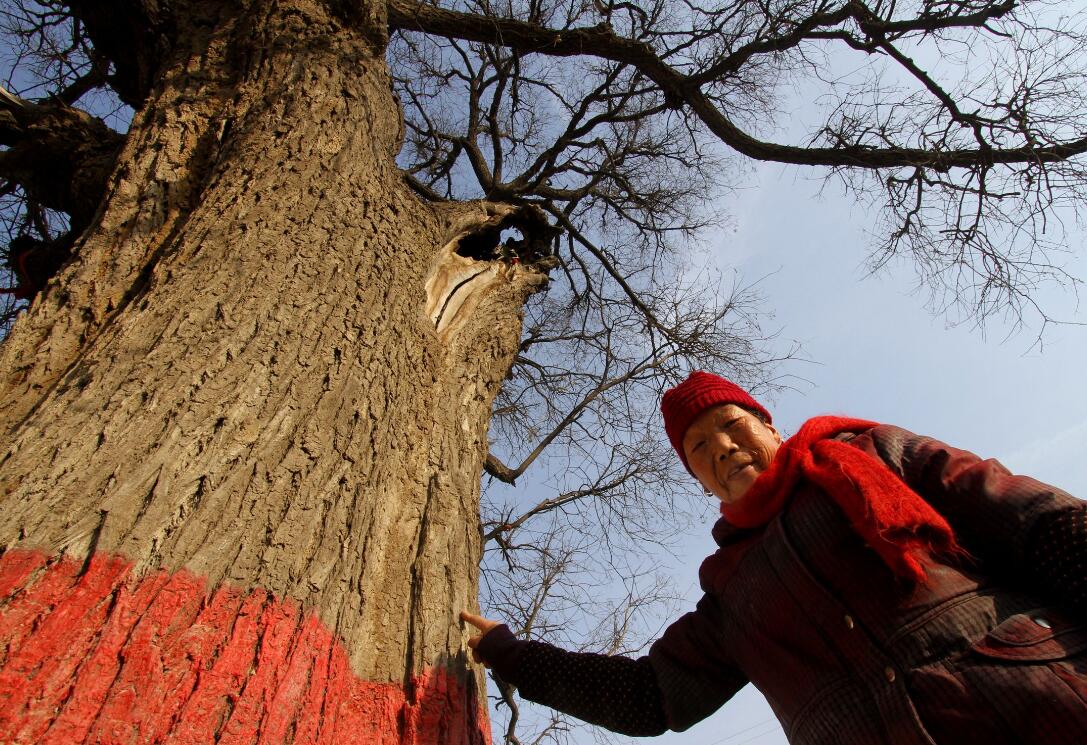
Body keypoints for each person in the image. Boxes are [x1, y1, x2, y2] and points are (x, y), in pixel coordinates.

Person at [460, 371, 1087, 744]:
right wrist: (510, 654)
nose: (722, 447)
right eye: (698, 447)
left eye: (732, 424)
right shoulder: (731, 590)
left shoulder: (871, 453)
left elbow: (1039, 523)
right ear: (699, 479)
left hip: (1047, 708)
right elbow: (652, 697)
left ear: (769, 425)